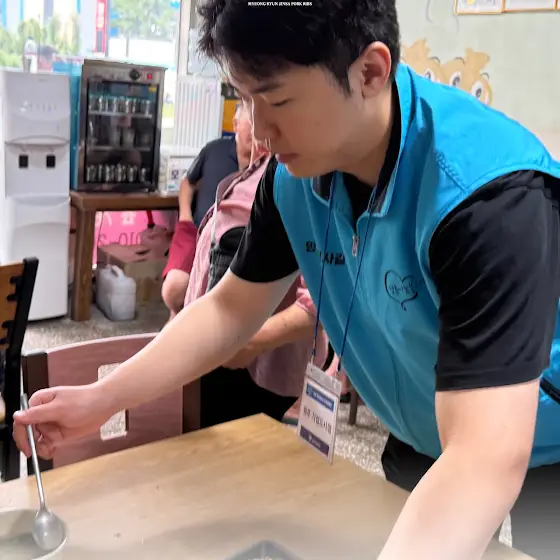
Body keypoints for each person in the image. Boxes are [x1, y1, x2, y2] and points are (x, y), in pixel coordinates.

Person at [12, 2, 560, 558]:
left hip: (538, 435)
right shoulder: (297, 176)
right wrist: (102, 399)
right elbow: (229, 310)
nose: (260, 130)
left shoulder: (485, 198)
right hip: (422, 427)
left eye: (276, 100)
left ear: (370, 72)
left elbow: (484, 457)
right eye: (244, 99)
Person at [184, 105, 328, 426]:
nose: (258, 123)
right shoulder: (252, 174)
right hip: (213, 344)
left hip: (250, 362)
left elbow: (319, 298)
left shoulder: (301, 181)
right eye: (249, 106)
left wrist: (250, 342)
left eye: (273, 103)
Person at [161, 114, 242, 317]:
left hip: (233, 242)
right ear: (236, 124)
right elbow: (187, 183)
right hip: (195, 230)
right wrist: (185, 218)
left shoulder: (267, 163)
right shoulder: (214, 150)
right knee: (174, 289)